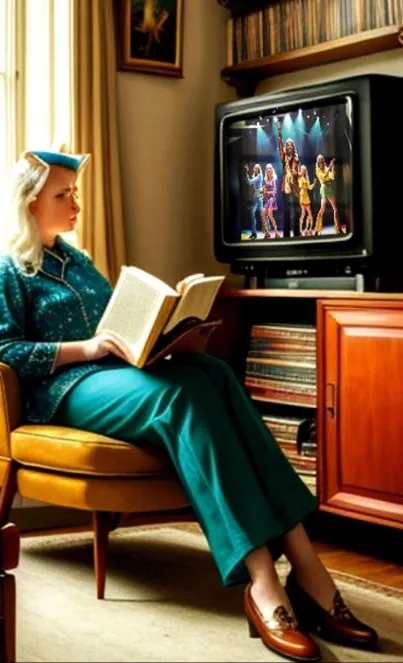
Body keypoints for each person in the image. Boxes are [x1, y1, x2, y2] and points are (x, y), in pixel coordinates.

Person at [0, 149, 378, 663]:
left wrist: (170, 326)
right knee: (180, 397)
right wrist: (83, 350)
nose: (76, 204)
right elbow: (6, 351)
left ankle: (306, 564)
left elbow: (119, 324)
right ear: (30, 202)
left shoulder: (79, 261)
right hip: (67, 389)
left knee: (214, 373)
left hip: (119, 374)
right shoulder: (10, 270)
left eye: (77, 193)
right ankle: (264, 581)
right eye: (63, 195)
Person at [276, 121, 301, 238]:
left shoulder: (296, 158)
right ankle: (286, 235)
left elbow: (299, 172)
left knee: (296, 211)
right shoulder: (284, 157)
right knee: (286, 211)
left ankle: (296, 233)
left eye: (290, 145)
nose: (288, 146)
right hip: (286, 187)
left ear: (293, 146)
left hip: (295, 187)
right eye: (287, 145)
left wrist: (298, 173)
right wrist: (279, 132)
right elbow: (280, 145)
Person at [313, 155, 341, 235]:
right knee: (322, 209)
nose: (321, 160)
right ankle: (317, 229)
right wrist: (330, 167)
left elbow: (332, 177)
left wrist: (332, 167)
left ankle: (338, 228)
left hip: (329, 188)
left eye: (322, 159)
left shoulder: (326, 168)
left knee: (335, 209)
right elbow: (324, 176)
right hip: (324, 188)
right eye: (319, 159)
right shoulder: (317, 170)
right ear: (318, 161)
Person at [243, 163, 263, 240]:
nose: (255, 169)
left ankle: (267, 231)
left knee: (262, 214)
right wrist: (247, 172)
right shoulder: (255, 175)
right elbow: (249, 182)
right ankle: (254, 233)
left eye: (257, 168)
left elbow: (250, 182)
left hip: (259, 195)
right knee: (252, 213)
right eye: (254, 168)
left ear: (259, 169)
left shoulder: (260, 175)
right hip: (256, 196)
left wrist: (247, 173)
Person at [261, 163, 280, 239]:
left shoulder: (274, 179)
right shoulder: (265, 179)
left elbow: (275, 191)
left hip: (272, 199)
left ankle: (276, 232)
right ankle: (267, 233)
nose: (268, 170)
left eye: (270, 168)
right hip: (267, 199)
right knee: (262, 215)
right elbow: (264, 189)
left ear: (272, 170)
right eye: (267, 169)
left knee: (270, 215)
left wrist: (267, 192)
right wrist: (263, 191)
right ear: (266, 170)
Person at [298, 165, 316, 237]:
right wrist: (301, 176)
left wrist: (314, 183)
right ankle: (300, 230)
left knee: (310, 214)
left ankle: (308, 229)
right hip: (302, 195)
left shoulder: (306, 178)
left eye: (305, 170)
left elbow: (309, 188)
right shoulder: (300, 178)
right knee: (303, 214)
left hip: (306, 196)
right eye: (303, 170)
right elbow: (300, 186)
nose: (304, 171)